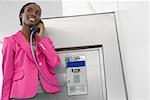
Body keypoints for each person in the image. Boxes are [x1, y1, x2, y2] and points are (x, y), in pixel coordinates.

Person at [1, 2, 61, 100]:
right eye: (29, 10)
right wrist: (4, 98)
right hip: (22, 92)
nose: (34, 14)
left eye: (37, 13)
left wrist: (41, 38)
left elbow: (55, 63)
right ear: (21, 15)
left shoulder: (44, 41)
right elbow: (7, 73)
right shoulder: (10, 41)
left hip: (47, 92)